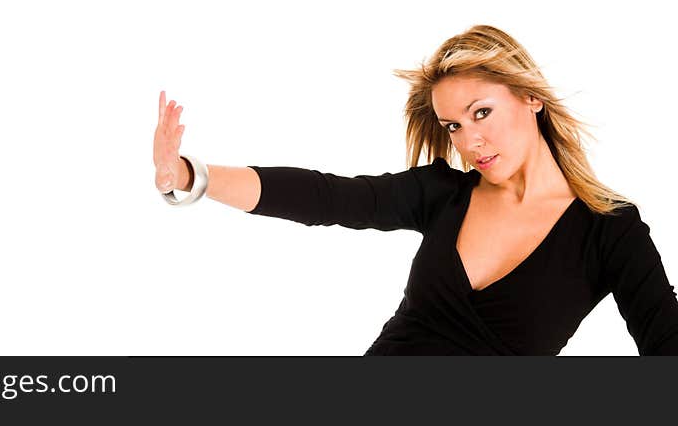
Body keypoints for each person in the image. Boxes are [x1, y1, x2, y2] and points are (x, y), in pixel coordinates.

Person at [151, 24, 678, 355]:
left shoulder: (608, 229)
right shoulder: (444, 194)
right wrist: (191, 176)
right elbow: (326, 197)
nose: (470, 140)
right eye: (453, 126)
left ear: (531, 98)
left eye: (481, 113)